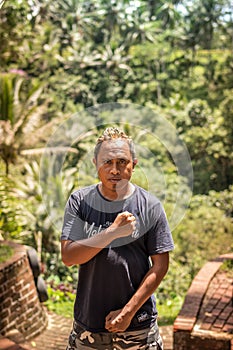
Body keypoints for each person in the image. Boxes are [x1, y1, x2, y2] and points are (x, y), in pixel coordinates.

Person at [61, 127, 174, 350]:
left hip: (138, 327)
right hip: (89, 325)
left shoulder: (150, 206)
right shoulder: (80, 202)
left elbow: (160, 266)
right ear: (95, 163)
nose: (115, 170)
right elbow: (69, 256)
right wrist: (113, 232)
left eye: (122, 162)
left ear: (134, 163)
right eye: (107, 162)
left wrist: (127, 312)